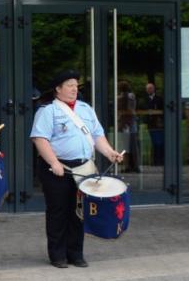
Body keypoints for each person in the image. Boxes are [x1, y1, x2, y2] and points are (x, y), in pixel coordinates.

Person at [30, 70, 124, 269]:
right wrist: (54, 163)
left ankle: (76, 253)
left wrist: (110, 152)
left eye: (76, 85)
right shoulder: (48, 110)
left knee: (79, 211)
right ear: (58, 89)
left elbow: (97, 135)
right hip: (57, 167)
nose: (74, 89)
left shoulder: (85, 109)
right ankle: (57, 254)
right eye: (69, 85)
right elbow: (40, 138)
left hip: (83, 166)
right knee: (58, 211)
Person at [143, 81, 165, 166]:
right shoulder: (144, 99)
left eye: (151, 88)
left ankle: (160, 160)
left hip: (159, 124)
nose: (149, 90)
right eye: (148, 88)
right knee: (155, 142)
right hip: (151, 124)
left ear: (154, 89)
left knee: (159, 143)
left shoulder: (160, 99)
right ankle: (155, 161)